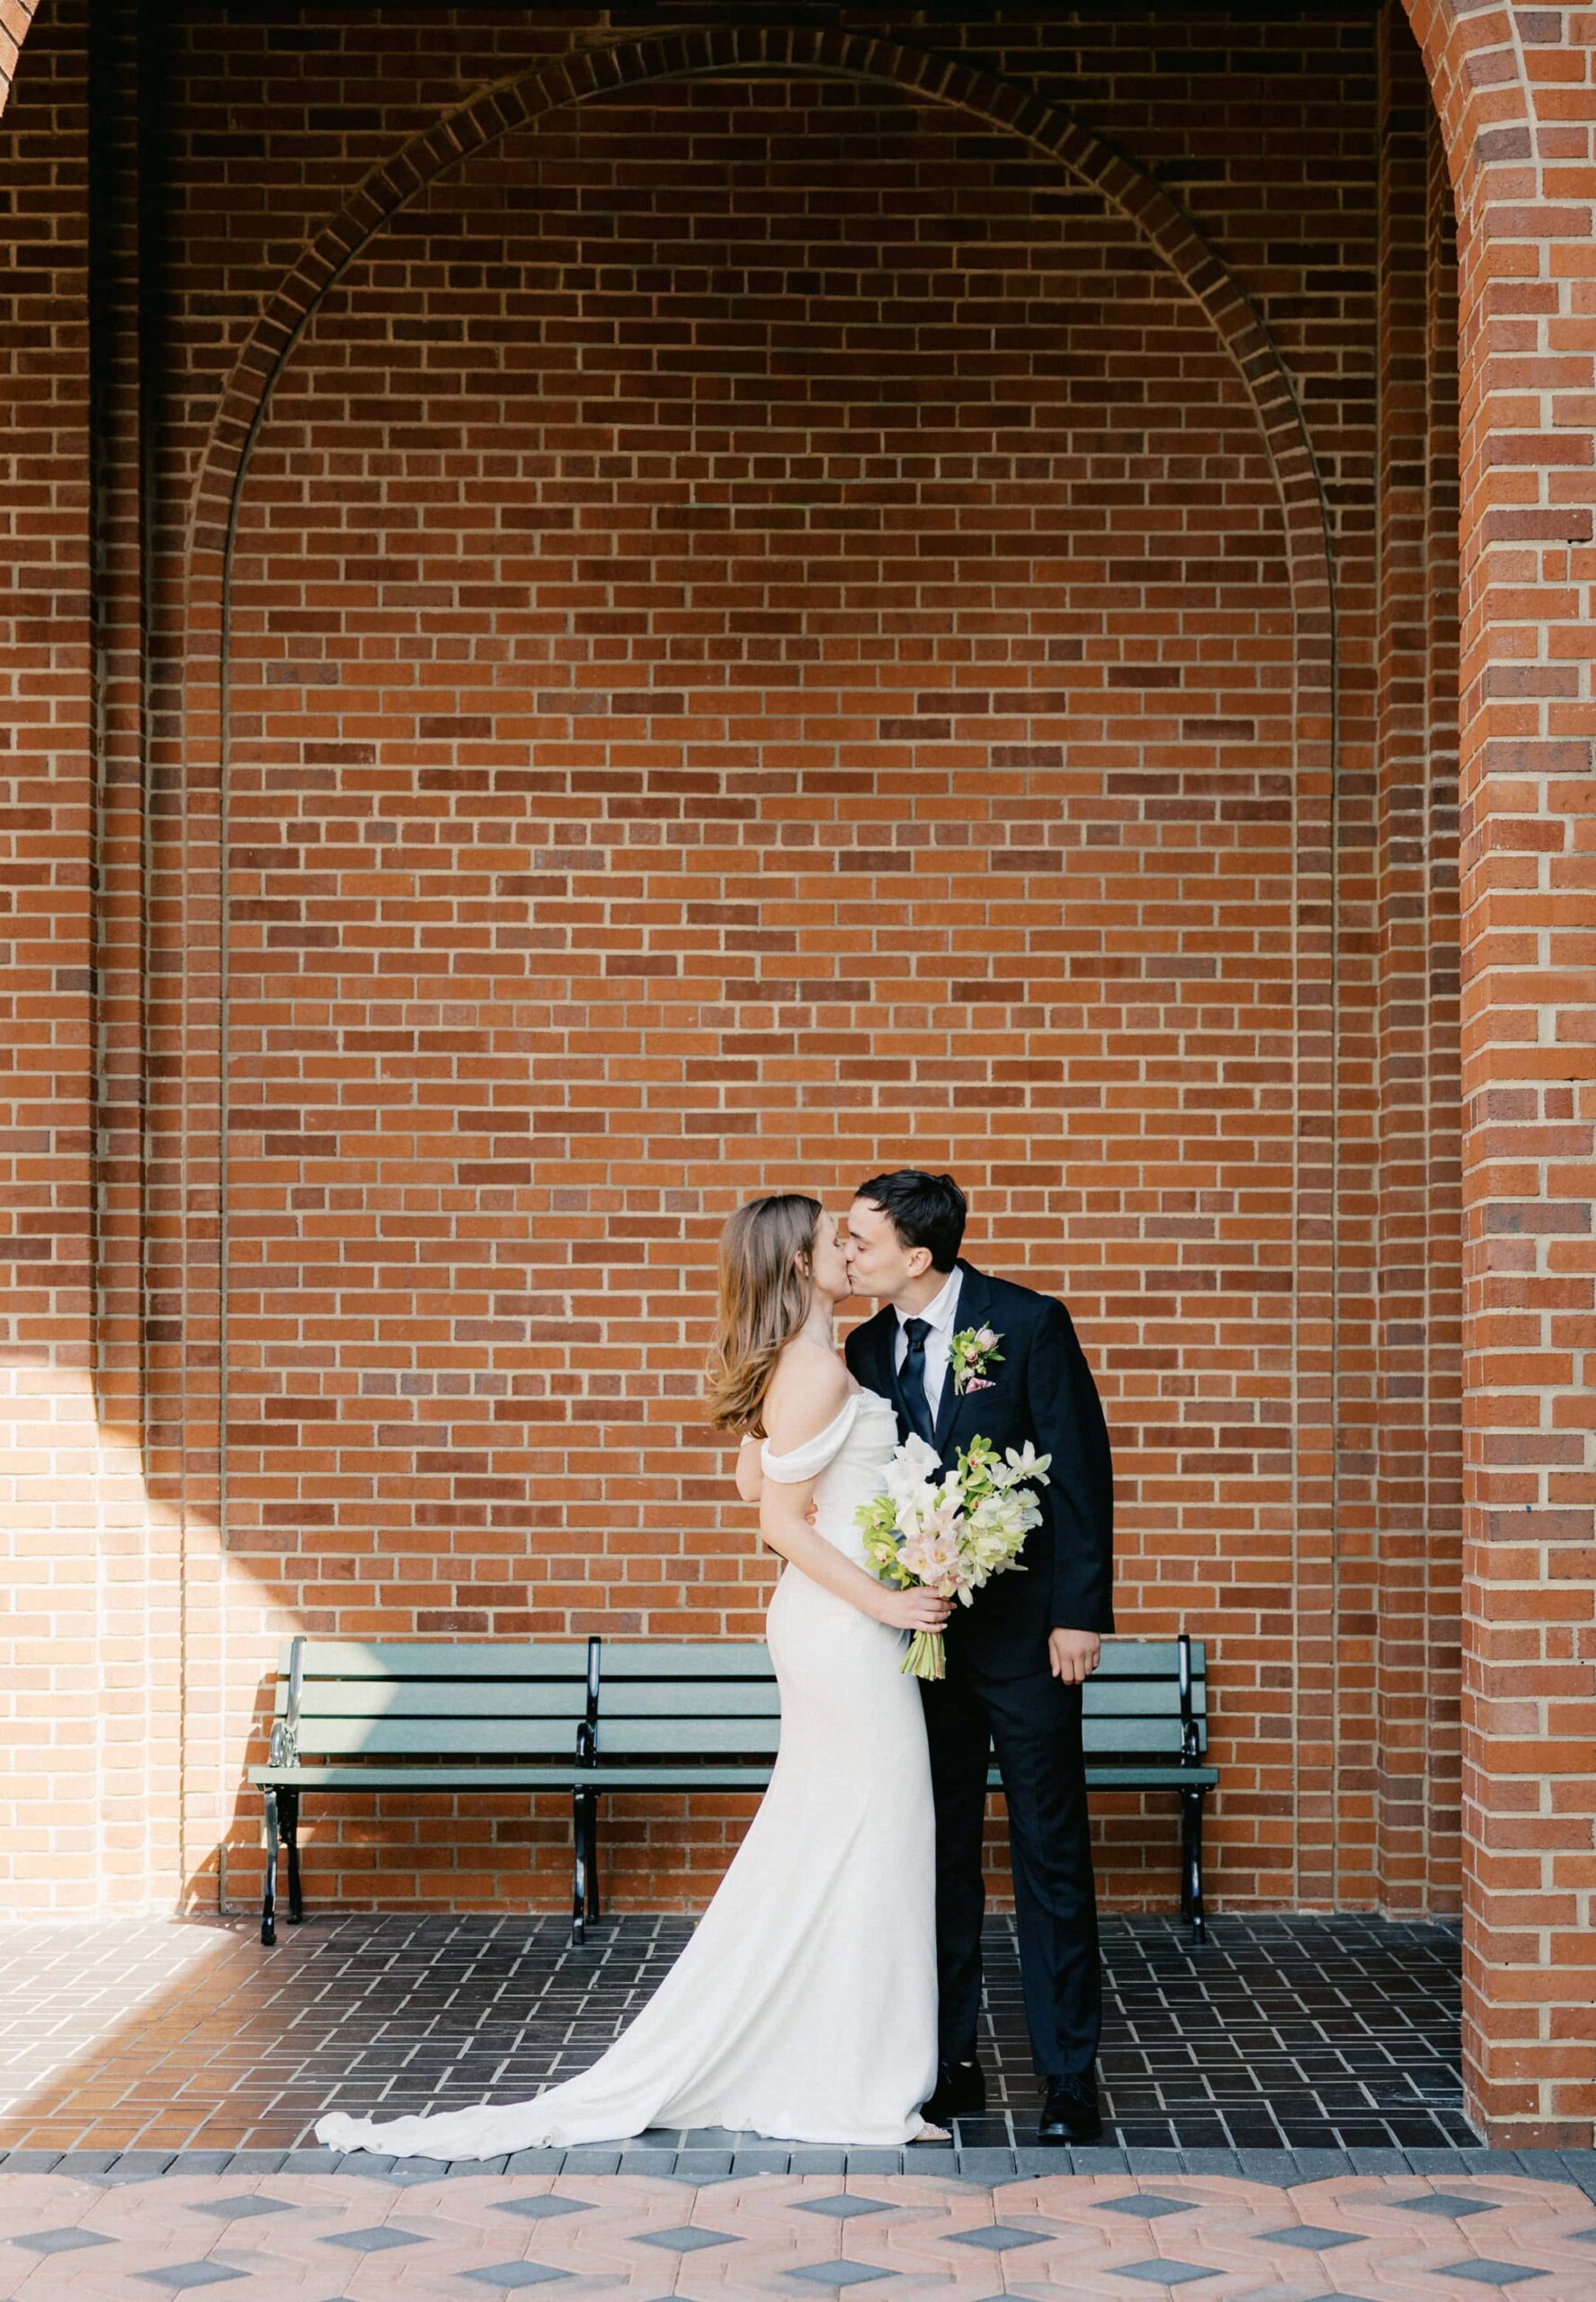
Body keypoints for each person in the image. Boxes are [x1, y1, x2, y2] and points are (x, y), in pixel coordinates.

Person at [314, 1193, 951, 2156]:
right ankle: (854, 2075)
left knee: (838, 1836)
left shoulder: (811, 1364)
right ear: (794, 1265)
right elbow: (773, 1521)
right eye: (833, 1238)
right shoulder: (814, 1368)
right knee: (878, 1833)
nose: (850, 1248)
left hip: (832, 1623)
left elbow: (756, 1479)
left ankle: (832, 2053)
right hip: (846, 1628)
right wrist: (889, 1599)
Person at [843, 1170, 1114, 2146]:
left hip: (1029, 1637)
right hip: (920, 1645)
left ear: (917, 1256)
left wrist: (1079, 1613)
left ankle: (1067, 2074)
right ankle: (948, 2060)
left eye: (858, 1239)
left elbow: (1080, 1469)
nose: (844, 1252)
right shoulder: (865, 1345)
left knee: (1049, 1851)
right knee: (940, 1850)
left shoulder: (1027, 1322)